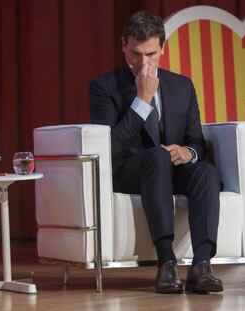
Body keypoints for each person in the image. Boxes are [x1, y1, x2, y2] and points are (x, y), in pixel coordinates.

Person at [90, 11, 223, 294]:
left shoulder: (182, 86)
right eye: (136, 54)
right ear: (123, 45)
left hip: (170, 171)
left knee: (206, 172)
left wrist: (188, 153)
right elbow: (108, 147)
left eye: (151, 54)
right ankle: (166, 263)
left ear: (163, 48)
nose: (143, 63)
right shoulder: (104, 88)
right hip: (130, 173)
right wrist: (142, 100)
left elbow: (197, 142)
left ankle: (202, 266)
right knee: (157, 157)